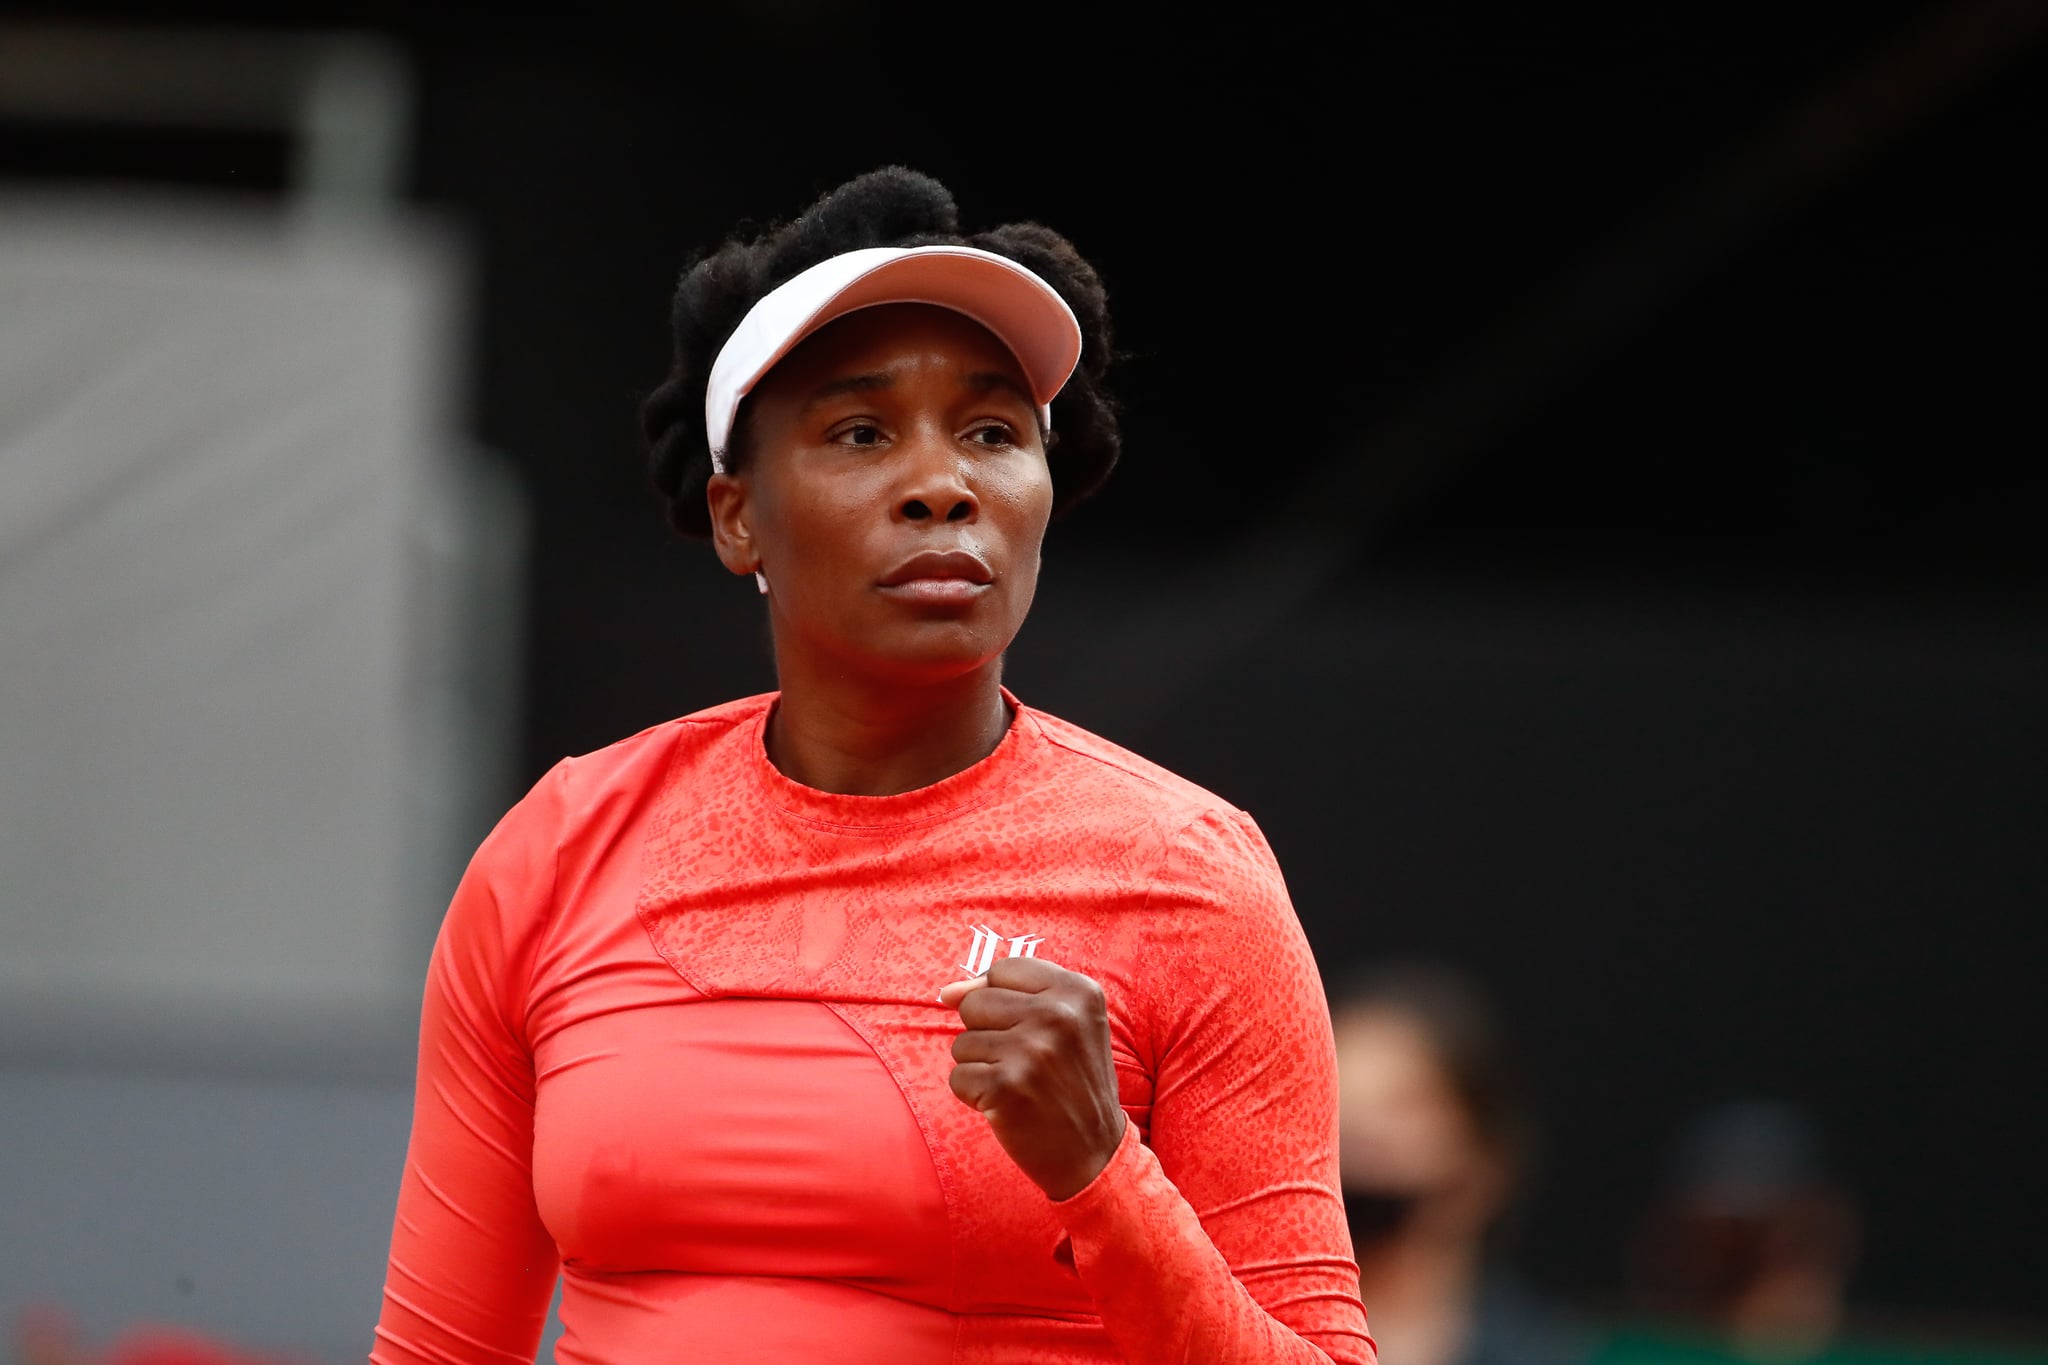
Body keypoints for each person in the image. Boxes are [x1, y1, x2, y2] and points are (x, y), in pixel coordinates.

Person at [368, 166, 1374, 1364]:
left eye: (993, 432)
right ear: (739, 516)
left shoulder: (1191, 880)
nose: (942, 486)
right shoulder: (562, 847)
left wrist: (1101, 1175)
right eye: (860, 431)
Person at [1332, 960, 1587, 1365]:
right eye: (1339, 1103)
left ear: (1484, 1159)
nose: (1361, 1136)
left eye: (1401, 1107)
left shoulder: (1540, 1350)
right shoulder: (1239, 1339)